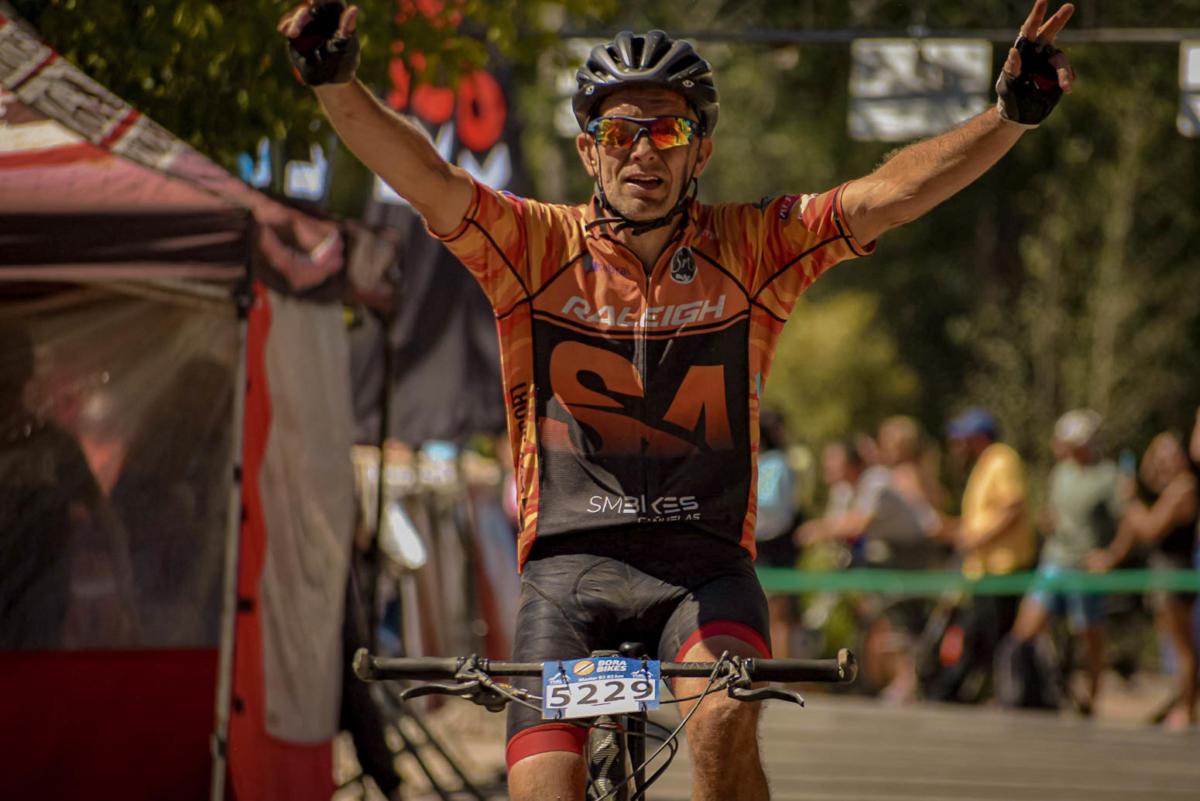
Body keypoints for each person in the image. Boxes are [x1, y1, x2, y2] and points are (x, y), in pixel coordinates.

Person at [278, 1, 1077, 796]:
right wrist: (336, 83)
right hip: (568, 571)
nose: (643, 152)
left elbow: (885, 196)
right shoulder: (534, 248)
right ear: (588, 150)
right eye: (620, 132)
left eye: (668, 131)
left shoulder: (753, 247)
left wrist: (1007, 117)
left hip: (704, 566)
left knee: (723, 720)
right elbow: (430, 179)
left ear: (701, 150)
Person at [1010, 410, 1122, 714]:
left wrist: (1111, 555)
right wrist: (1046, 521)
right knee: (1026, 629)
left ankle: (1092, 696)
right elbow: (1053, 513)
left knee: (1089, 633)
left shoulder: (1108, 476)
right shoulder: (1060, 473)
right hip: (1054, 561)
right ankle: (1034, 689)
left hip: (1084, 567)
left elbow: (1127, 521)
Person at [1089, 432, 1198, 730]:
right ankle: (1182, 704)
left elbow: (1150, 528)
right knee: (1174, 645)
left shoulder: (1184, 488)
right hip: (1163, 574)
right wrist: (1110, 557)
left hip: (1176, 575)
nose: (1166, 461)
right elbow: (1133, 528)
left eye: (1171, 454)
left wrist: (1131, 501)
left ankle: (1187, 709)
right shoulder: (1165, 491)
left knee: (1183, 647)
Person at [927, 407, 1035, 702]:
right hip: (983, 570)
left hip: (1002, 570)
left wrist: (976, 538)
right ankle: (957, 690)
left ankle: (950, 692)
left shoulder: (1001, 459)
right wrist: (949, 529)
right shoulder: (985, 465)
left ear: (978, 437)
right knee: (980, 634)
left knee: (984, 635)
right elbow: (981, 519)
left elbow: (1013, 508)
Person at [754, 410, 800, 657]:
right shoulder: (766, 462)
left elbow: (770, 501)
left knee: (778, 612)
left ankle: (778, 667)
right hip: (759, 544)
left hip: (774, 545)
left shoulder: (776, 463)